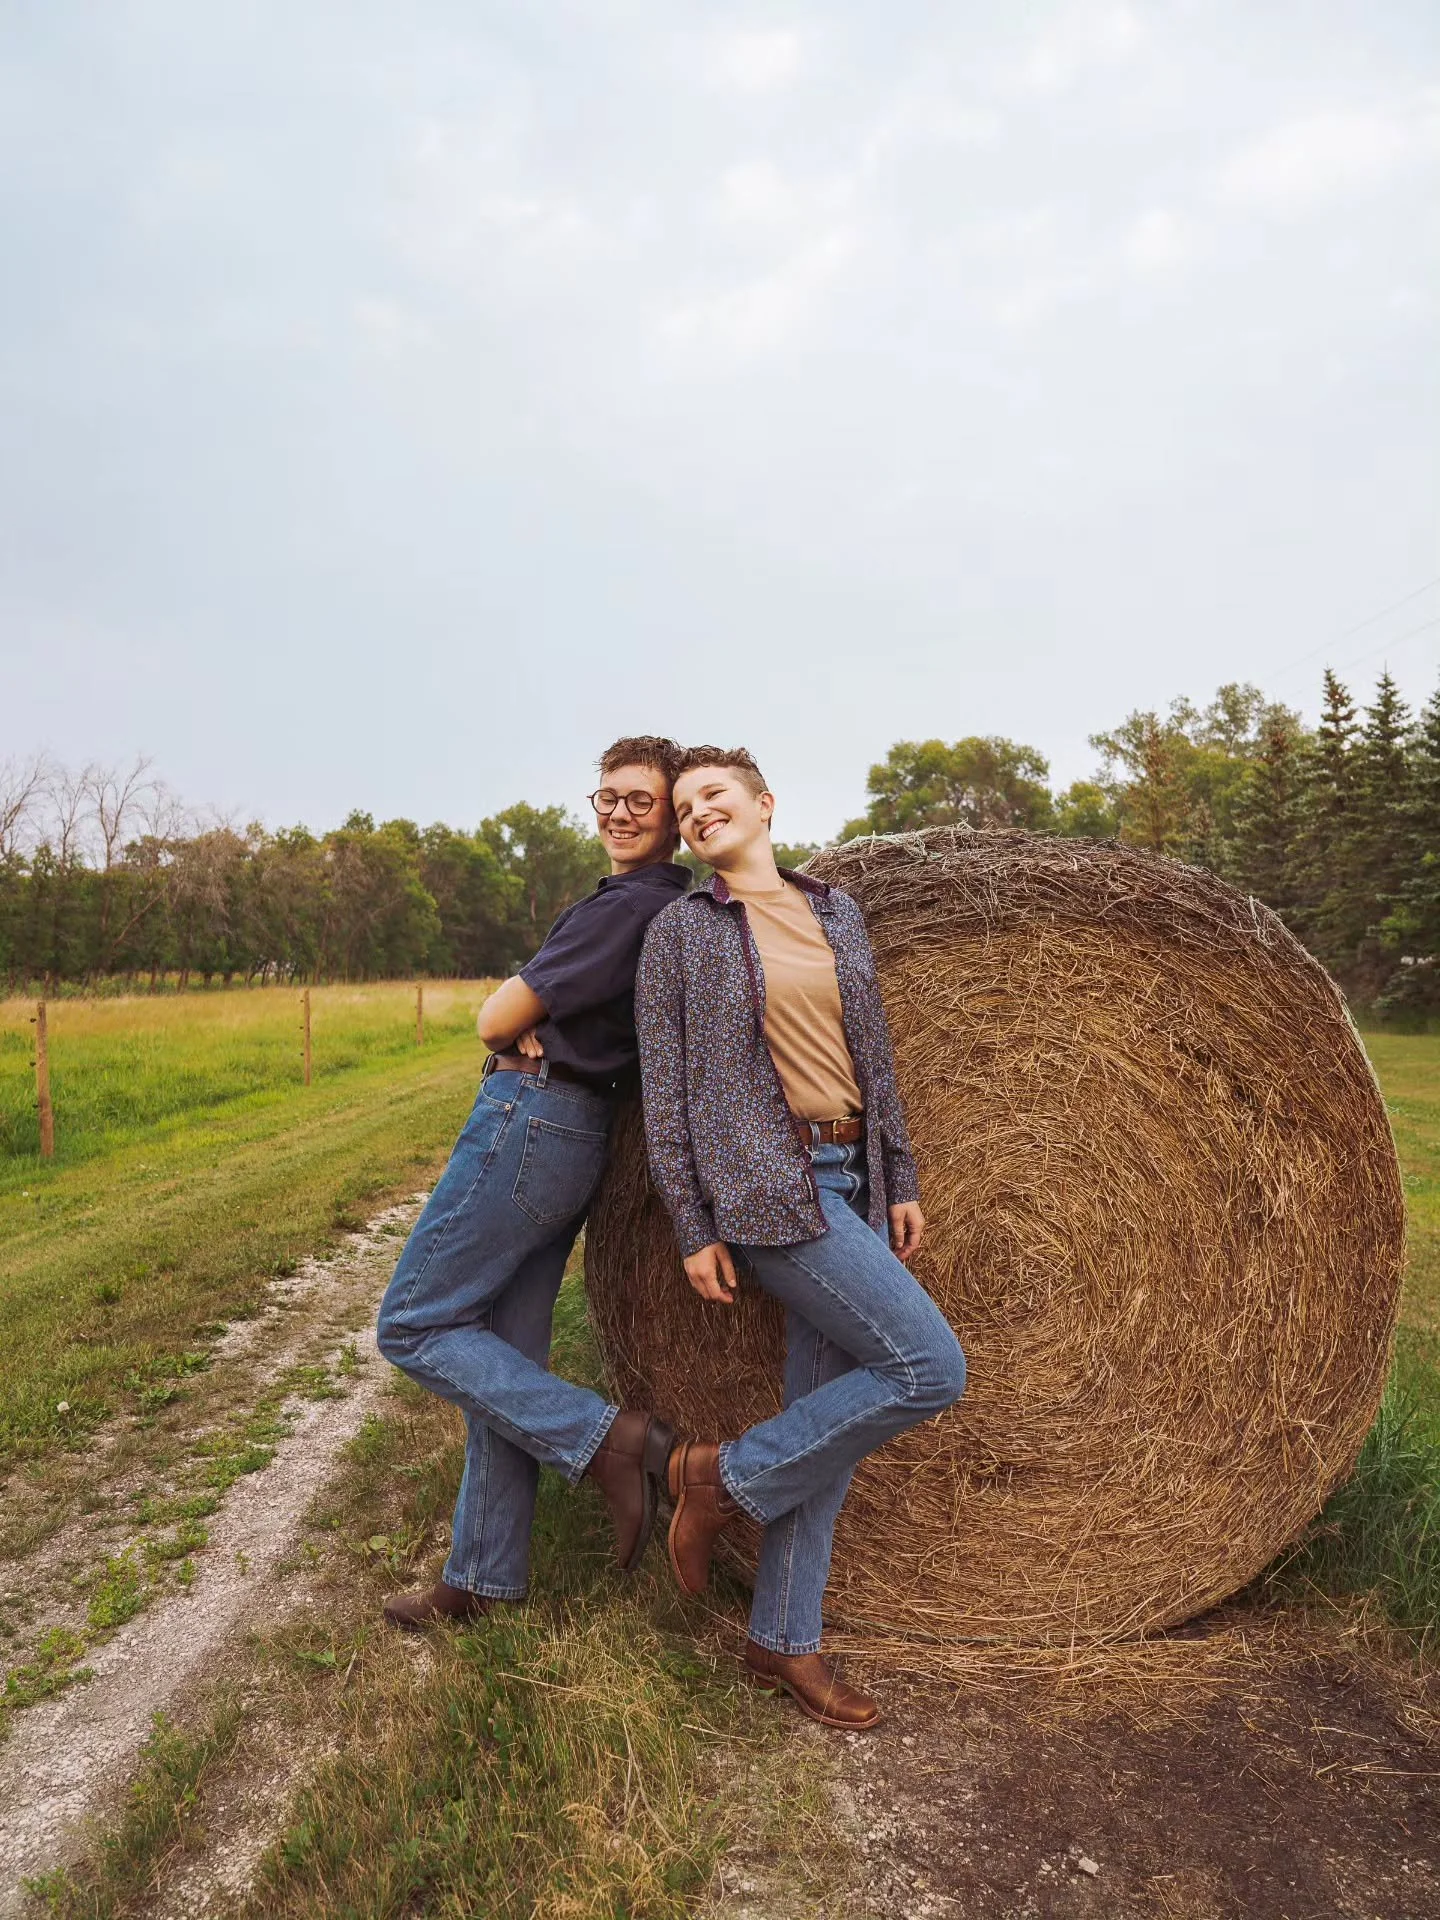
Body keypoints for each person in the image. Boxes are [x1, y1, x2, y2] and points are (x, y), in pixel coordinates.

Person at [634, 747, 966, 1730]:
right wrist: (693, 1221)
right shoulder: (682, 932)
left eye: (715, 797)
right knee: (931, 1366)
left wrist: (897, 1175)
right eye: (686, 808)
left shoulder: (834, 911)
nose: (698, 815)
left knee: (825, 1427)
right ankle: (715, 1477)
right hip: (771, 1189)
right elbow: (666, 1091)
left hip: (853, 1177)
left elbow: (873, 1054)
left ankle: (783, 1643)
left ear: (764, 805)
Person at [376, 736, 689, 1628]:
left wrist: (508, 1023)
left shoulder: (625, 908)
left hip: (531, 1121)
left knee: (413, 1321)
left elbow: (494, 1016)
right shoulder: (665, 910)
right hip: (575, 1130)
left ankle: (609, 1443)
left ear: (672, 817)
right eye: (609, 796)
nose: (621, 813)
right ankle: (480, 1576)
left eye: (643, 800)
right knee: (500, 1361)